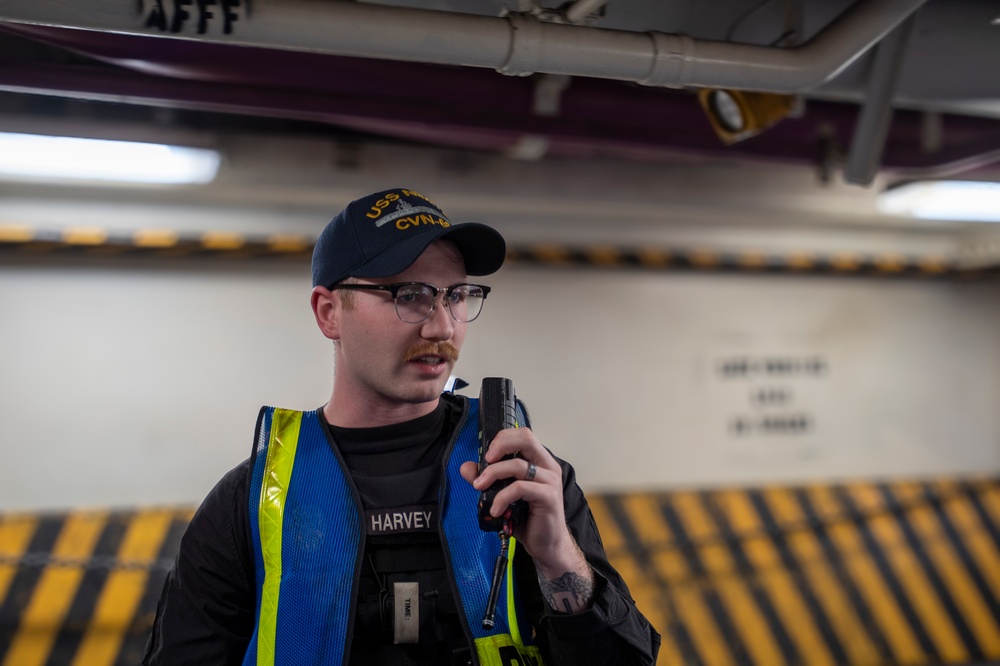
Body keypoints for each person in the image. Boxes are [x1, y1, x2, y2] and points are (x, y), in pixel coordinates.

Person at [143, 188, 661, 666]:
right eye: (408, 295)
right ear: (329, 313)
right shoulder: (253, 504)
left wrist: (556, 558)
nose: (442, 326)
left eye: (456, 295)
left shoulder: (526, 480)